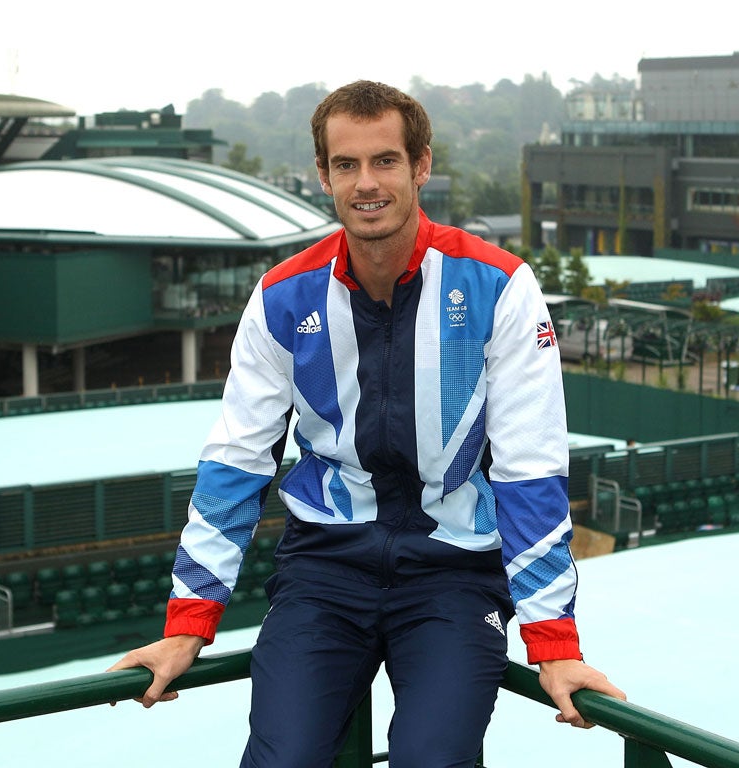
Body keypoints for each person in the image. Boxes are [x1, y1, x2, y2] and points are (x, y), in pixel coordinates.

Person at [109, 80, 625, 767]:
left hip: (454, 575)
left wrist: (555, 644)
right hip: (324, 570)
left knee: (431, 760)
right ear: (324, 176)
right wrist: (189, 623)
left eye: (385, 160)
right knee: (282, 761)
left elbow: (531, 469)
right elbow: (236, 460)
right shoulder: (282, 297)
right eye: (346, 165)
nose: (366, 183)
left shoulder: (499, 285)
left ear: (421, 166)